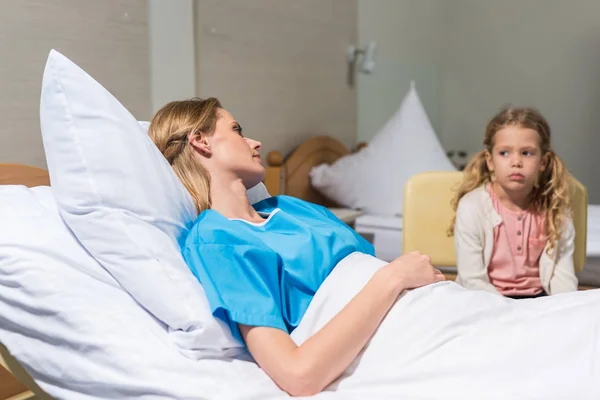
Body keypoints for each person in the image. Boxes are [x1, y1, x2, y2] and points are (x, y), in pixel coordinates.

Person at [148, 97, 445, 396]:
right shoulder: (218, 239)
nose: (255, 142)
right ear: (200, 141)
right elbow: (297, 375)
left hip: (426, 312)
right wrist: (394, 277)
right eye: (237, 129)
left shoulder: (290, 208)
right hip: (399, 339)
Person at [449, 106, 578, 299]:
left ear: (543, 161)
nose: (516, 162)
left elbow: (563, 279)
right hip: (485, 300)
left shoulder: (555, 209)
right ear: (490, 160)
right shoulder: (472, 207)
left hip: (539, 302)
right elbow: (472, 280)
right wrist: (510, 312)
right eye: (504, 153)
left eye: (527, 153)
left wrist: (562, 309)